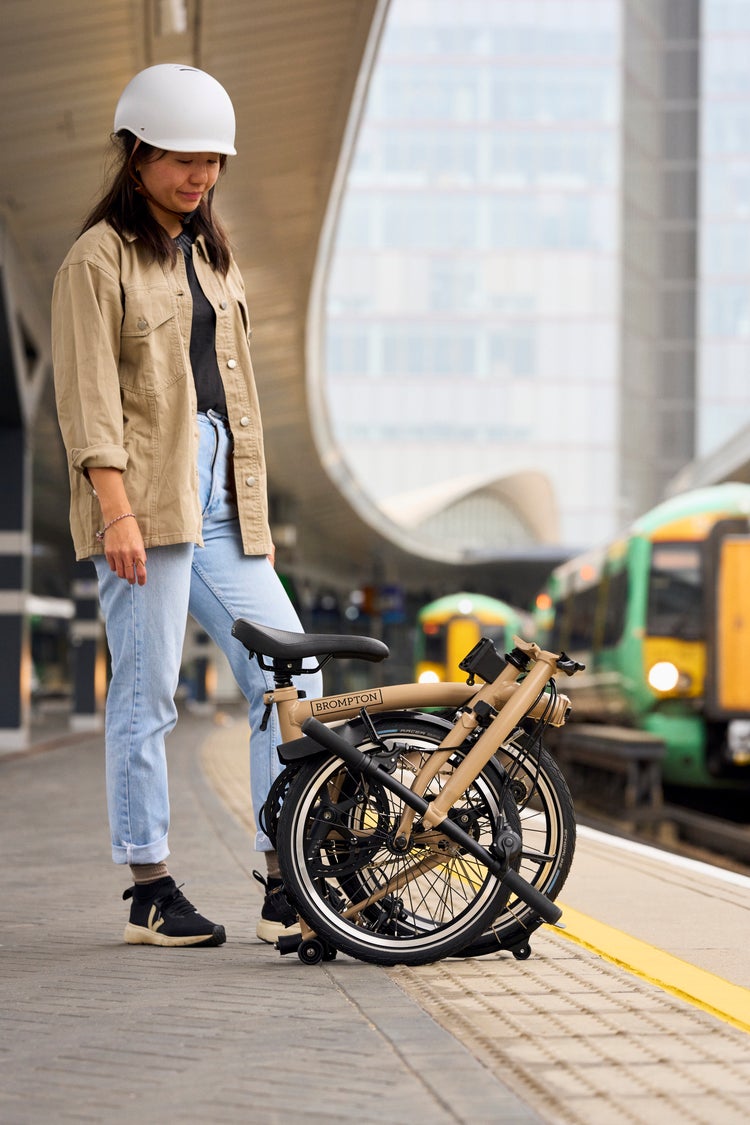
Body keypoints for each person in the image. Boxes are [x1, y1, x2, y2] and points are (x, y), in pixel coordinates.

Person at [51, 64, 323, 948]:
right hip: (145, 493)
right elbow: (88, 398)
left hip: (220, 497)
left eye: (212, 161)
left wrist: (255, 520)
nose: (199, 176)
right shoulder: (96, 259)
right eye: (182, 159)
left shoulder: (213, 255)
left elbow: (236, 399)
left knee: (292, 677)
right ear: (136, 156)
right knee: (146, 689)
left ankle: (286, 874)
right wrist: (115, 508)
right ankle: (150, 886)